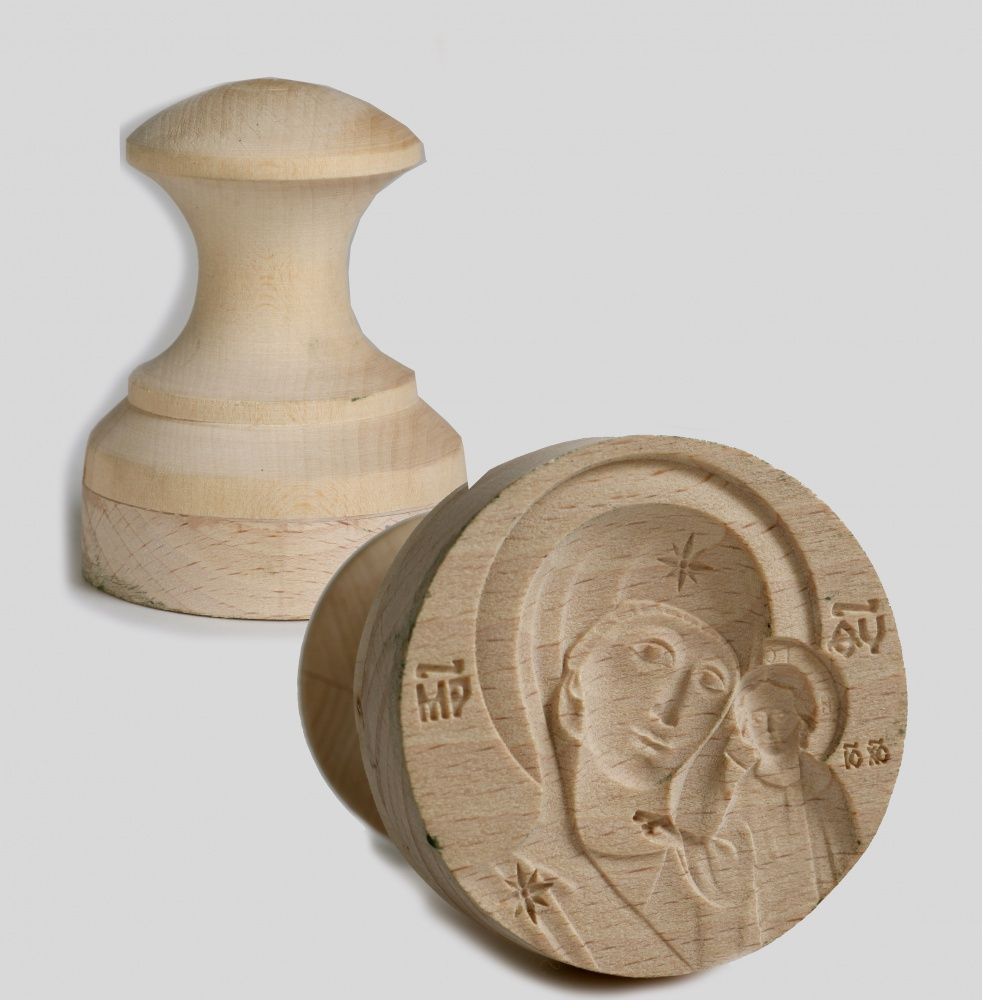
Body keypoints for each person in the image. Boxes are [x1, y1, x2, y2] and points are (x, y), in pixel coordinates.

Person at [715, 663, 860, 943]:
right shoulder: (749, 790)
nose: (768, 729)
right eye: (757, 719)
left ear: (801, 719)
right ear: (745, 728)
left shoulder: (822, 780)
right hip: (778, 914)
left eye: (780, 715)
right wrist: (679, 840)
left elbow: (847, 849)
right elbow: (729, 854)